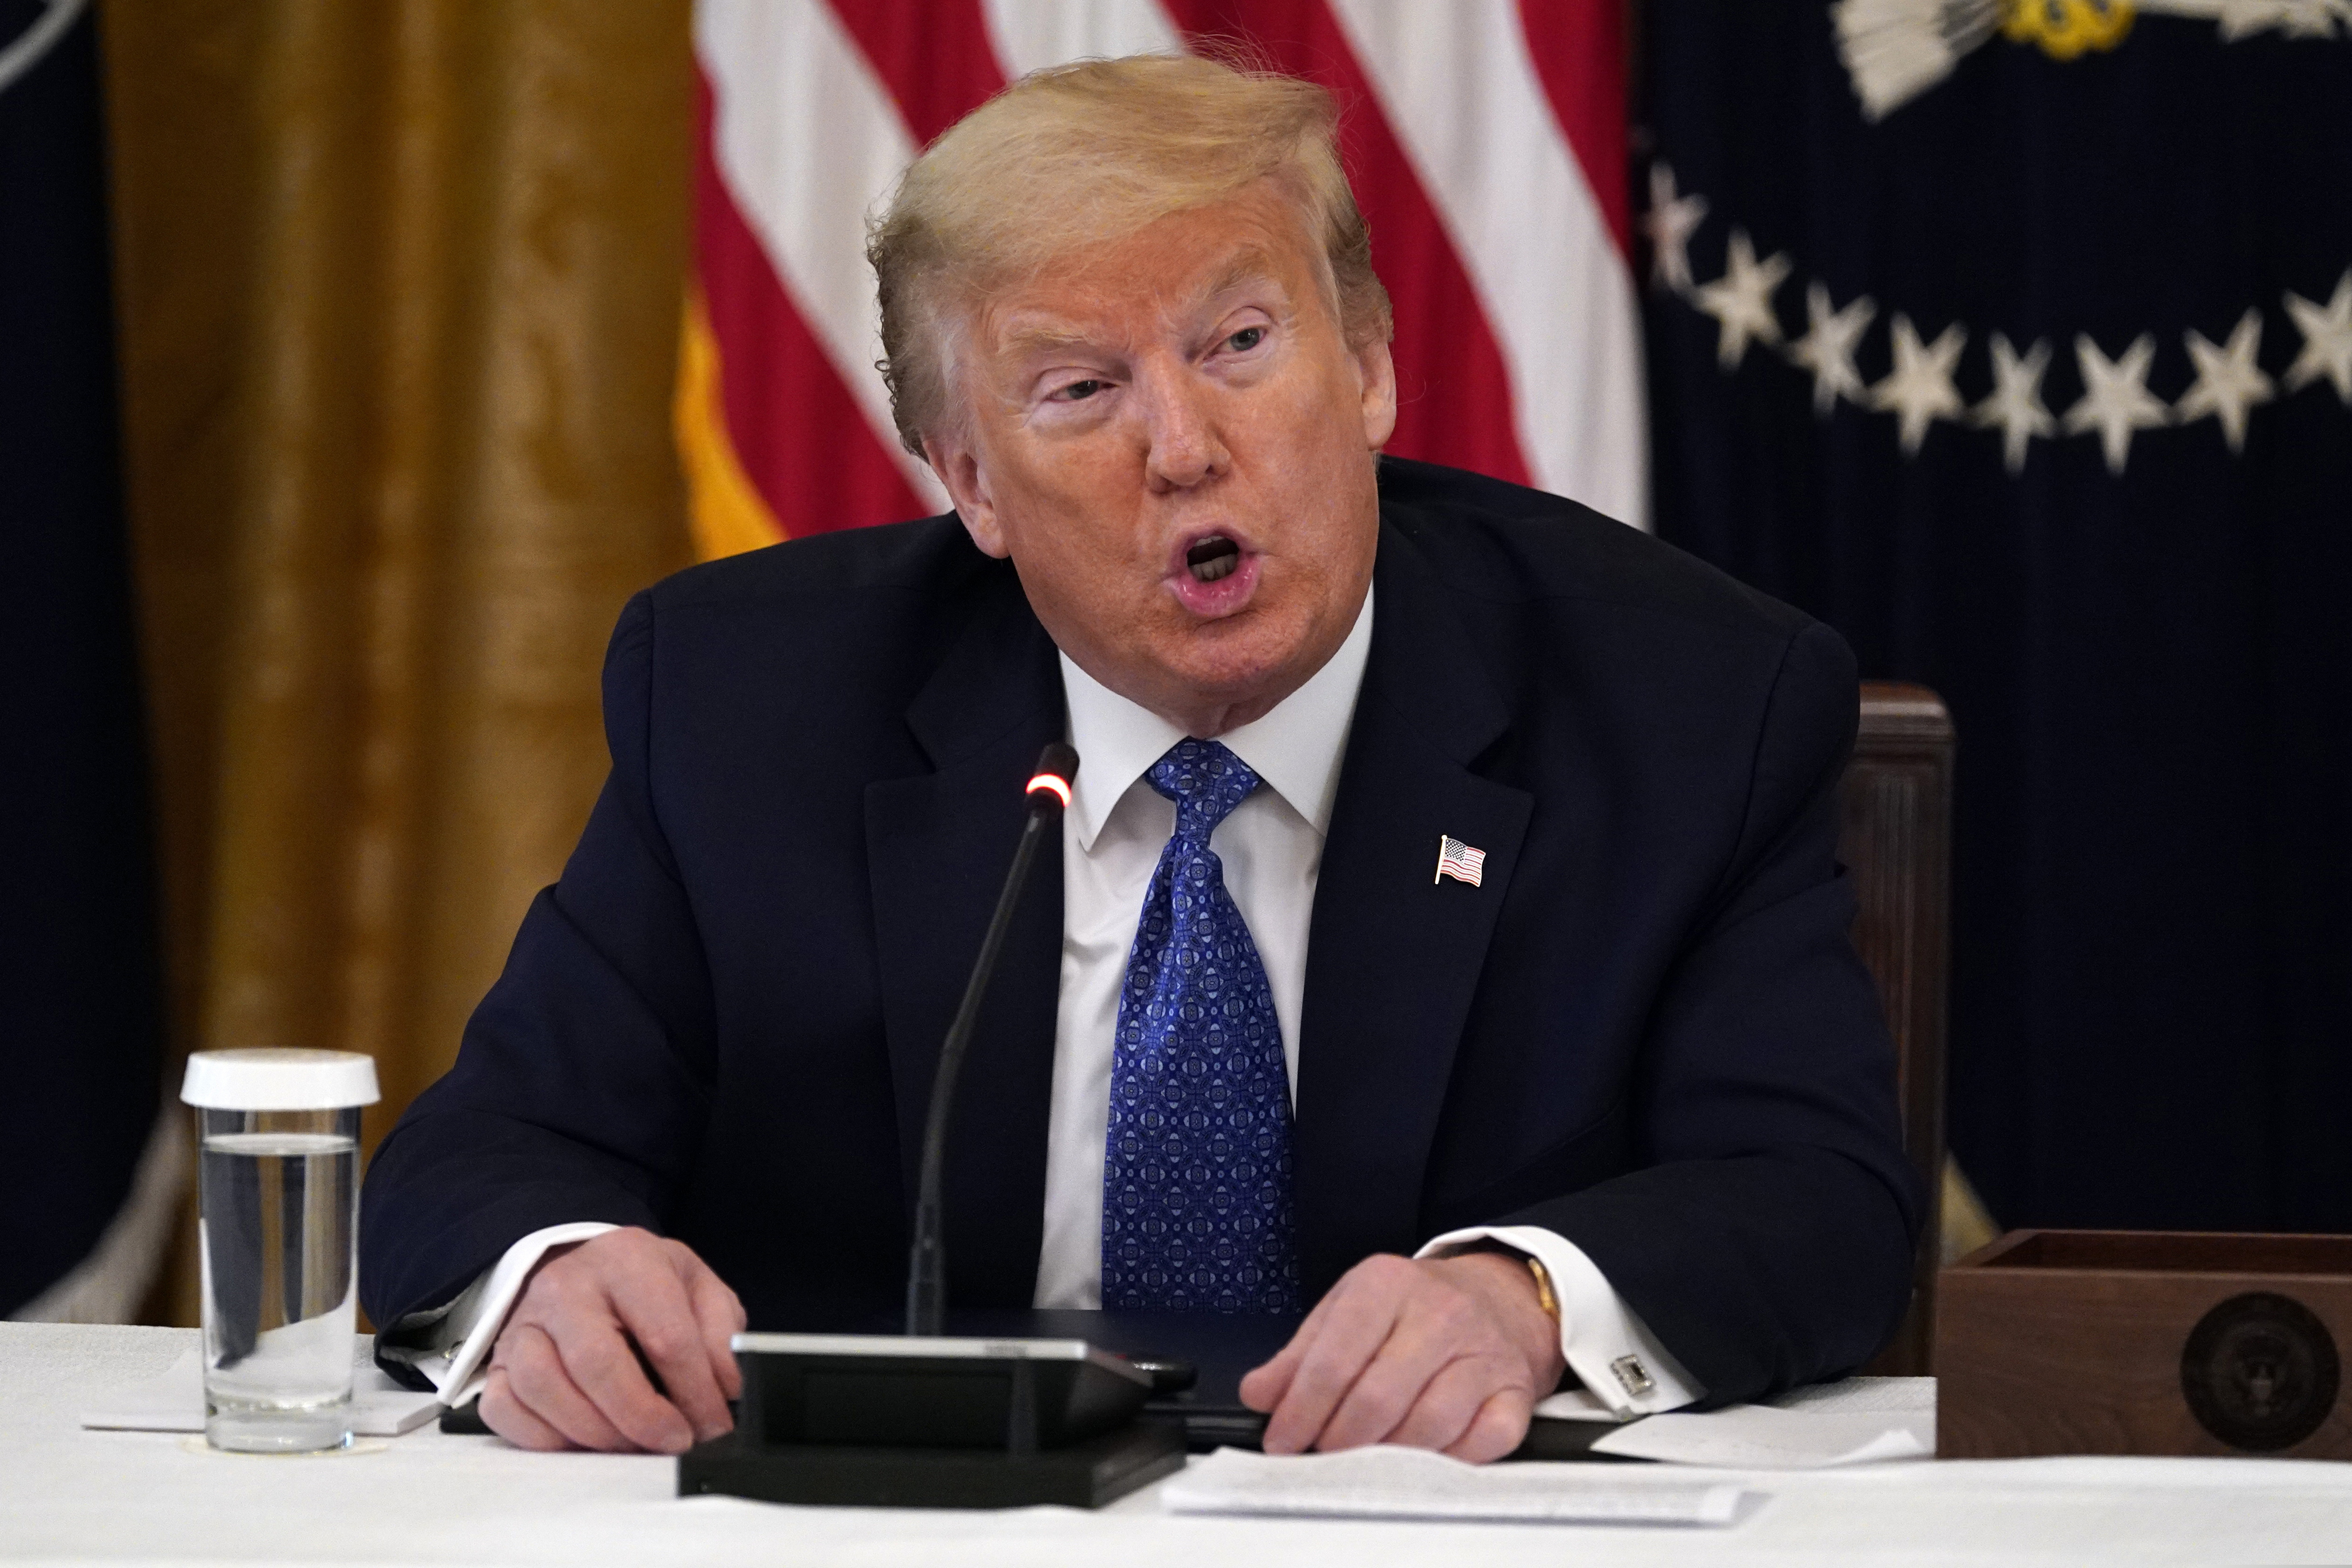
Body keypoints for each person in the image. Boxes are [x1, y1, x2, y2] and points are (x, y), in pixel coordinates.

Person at [360, 53, 1921, 1463]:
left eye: (1239, 342)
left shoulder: (1681, 702)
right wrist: (550, 1271)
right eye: (1081, 392)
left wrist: (1528, 1300)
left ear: (1368, 367)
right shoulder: (753, 704)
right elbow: (486, 1151)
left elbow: (1818, 1200)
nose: (1181, 446)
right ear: (971, 482)